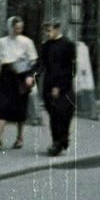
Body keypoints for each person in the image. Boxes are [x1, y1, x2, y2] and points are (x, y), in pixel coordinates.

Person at [0, 16, 37, 150]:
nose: (18, 31)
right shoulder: (2, 42)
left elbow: (33, 62)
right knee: (2, 106)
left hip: (21, 77)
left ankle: (19, 137)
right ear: (9, 27)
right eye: (15, 28)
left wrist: (29, 77)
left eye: (20, 28)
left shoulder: (27, 42)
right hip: (6, 77)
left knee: (20, 108)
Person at [39, 18, 77, 156]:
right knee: (53, 115)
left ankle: (58, 142)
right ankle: (60, 141)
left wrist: (59, 86)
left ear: (57, 29)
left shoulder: (68, 45)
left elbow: (71, 69)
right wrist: (33, 76)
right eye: (46, 31)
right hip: (48, 85)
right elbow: (41, 65)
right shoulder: (46, 46)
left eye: (49, 31)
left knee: (63, 115)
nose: (47, 34)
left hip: (64, 86)